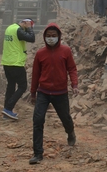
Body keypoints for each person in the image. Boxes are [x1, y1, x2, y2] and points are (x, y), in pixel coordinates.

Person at [29, 23, 78, 164]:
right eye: (48, 36)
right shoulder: (40, 54)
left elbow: (72, 69)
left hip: (60, 92)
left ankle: (70, 133)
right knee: (37, 121)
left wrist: (74, 85)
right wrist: (33, 93)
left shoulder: (66, 51)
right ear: (45, 37)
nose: (51, 38)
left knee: (65, 118)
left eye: (54, 36)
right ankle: (38, 153)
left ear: (59, 37)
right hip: (43, 92)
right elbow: (35, 74)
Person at [0, 18, 35, 120]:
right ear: (25, 23)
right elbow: (31, 38)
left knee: (11, 86)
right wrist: (29, 28)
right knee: (22, 86)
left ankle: (6, 111)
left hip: (7, 62)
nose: (29, 28)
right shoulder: (18, 30)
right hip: (16, 63)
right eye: (29, 25)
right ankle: (8, 108)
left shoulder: (10, 28)